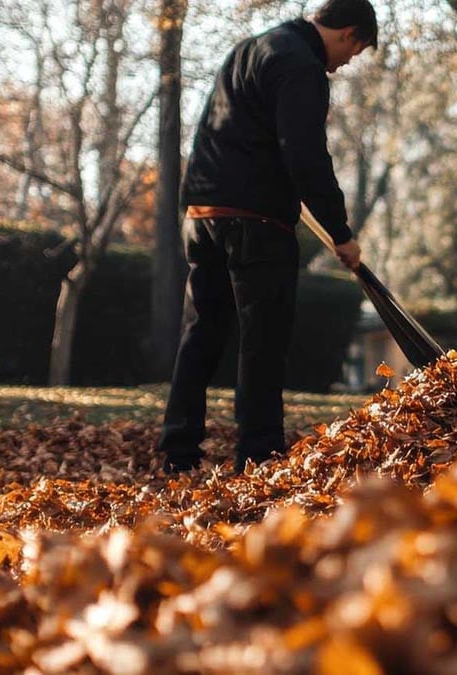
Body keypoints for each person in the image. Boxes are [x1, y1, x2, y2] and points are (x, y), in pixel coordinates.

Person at [159, 0, 377, 474]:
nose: (343, 65)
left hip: (202, 212)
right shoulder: (302, 66)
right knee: (264, 339)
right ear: (350, 35)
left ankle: (178, 452)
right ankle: (259, 455)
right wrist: (341, 232)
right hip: (255, 221)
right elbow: (304, 155)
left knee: (202, 332)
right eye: (353, 54)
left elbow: (215, 130)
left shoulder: (248, 50)